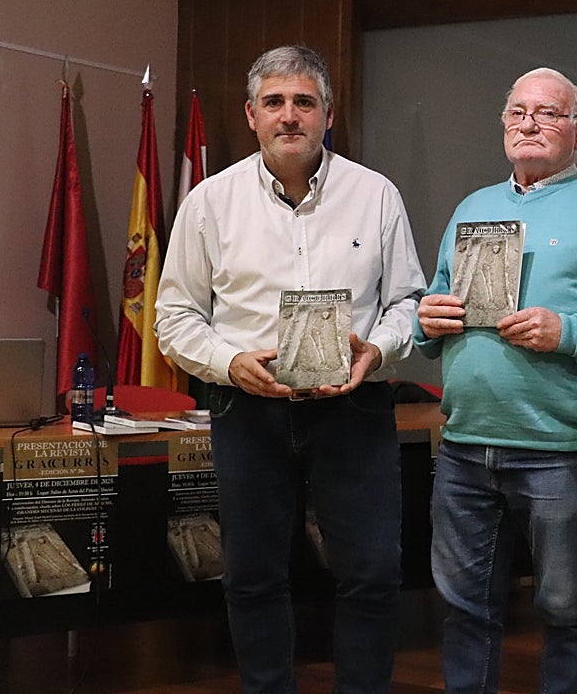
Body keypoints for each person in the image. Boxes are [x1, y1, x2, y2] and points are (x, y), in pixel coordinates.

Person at [155, 45, 425, 694]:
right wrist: (229, 361)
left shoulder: (375, 194)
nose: (290, 116)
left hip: (352, 411)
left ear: (327, 114)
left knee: (371, 573)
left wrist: (378, 350)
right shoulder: (210, 202)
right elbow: (174, 317)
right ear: (251, 115)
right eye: (274, 102)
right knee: (252, 575)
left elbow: (408, 303)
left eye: (304, 102)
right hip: (248, 411)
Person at [414, 67, 577, 694]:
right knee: (466, 609)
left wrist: (567, 332)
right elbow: (434, 308)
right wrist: (426, 320)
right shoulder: (473, 209)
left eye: (548, 113)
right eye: (518, 112)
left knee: (566, 612)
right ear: (503, 125)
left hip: (561, 454)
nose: (529, 123)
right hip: (465, 448)